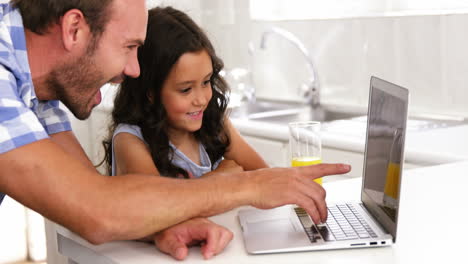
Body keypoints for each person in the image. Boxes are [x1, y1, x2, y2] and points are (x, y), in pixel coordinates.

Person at [0, 0, 351, 261]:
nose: (135, 70)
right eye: (130, 47)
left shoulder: (36, 87)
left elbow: (81, 193)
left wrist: (161, 226)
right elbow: (96, 211)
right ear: (73, 28)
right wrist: (245, 184)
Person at [103, 6, 269, 181]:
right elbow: (159, 204)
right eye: (186, 89)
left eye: (206, 82)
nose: (201, 100)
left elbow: (265, 177)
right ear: (151, 92)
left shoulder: (214, 124)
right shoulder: (130, 140)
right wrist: (217, 179)